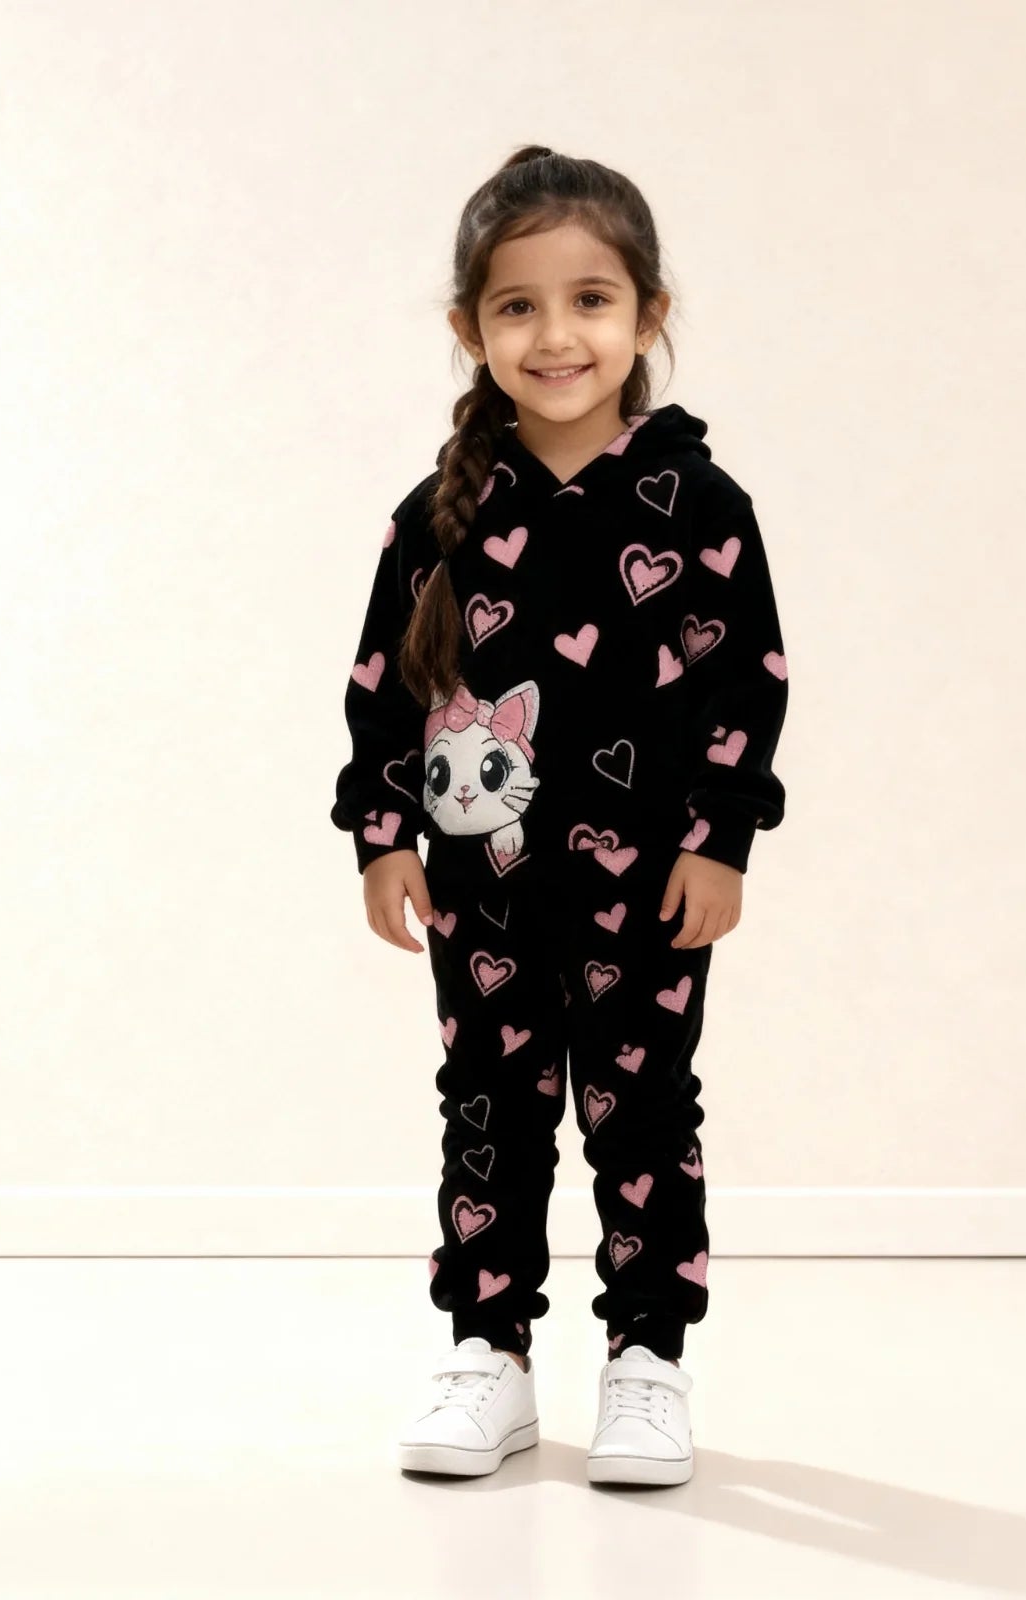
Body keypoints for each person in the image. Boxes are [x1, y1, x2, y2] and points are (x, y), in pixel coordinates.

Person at [329, 146, 789, 1485]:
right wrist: (382, 835)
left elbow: (748, 684)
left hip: (648, 889)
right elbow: (383, 689)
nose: (556, 335)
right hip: (482, 890)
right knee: (488, 1110)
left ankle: (648, 1360)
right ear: (470, 327)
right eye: (517, 306)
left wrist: (720, 840)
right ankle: (491, 1353)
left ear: (648, 315)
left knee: (643, 1113)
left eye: (591, 300)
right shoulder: (439, 516)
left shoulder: (699, 508)